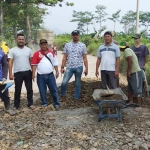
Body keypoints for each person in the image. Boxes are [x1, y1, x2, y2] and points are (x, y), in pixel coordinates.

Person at [8, 33, 35, 110]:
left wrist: (33, 73)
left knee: (29, 89)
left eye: (22, 39)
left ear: (24, 40)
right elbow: (10, 62)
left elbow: (31, 62)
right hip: (18, 73)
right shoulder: (12, 50)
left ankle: (30, 103)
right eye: (19, 39)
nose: (21, 41)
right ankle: (16, 105)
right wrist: (10, 74)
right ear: (17, 40)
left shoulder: (29, 50)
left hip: (27, 72)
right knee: (17, 89)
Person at [31, 39, 60, 109]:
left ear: (47, 44)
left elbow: (55, 63)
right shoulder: (36, 54)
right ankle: (44, 103)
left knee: (54, 89)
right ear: (40, 45)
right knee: (42, 90)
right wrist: (33, 74)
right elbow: (34, 65)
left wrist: (57, 71)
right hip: (40, 76)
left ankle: (56, 103)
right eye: (42, 44)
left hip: (50, 75)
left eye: (45, 44)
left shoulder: (52, 53)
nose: (43, 45)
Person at [60, 30, 88, 100]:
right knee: (64, 82)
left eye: (76, 35)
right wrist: (62, 67)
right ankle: (63, 95)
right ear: (72, 36)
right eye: (74, 35)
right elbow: (64, 57)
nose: (75, 36)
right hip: (69, 67)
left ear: (79, 36)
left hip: (79, 67)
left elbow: (84, 58)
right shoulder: (67, 45)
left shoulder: (83, 45)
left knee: (77, 83)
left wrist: (86, 68)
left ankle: (76, 97)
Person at [119, 41, 143, 111]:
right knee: (130, 88)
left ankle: (139, 105)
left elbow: (130, 60)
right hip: (132, 72)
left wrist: (128, 71)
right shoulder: (128, 50)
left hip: (135, 72)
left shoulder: (127, 50)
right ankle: (130, 101)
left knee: (137, 89)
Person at [0, 48, 16, 115]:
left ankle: (8, 108)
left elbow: (4, 65)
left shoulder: (2, 53)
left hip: (1, 79)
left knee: (5, 94)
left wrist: (4, 77)